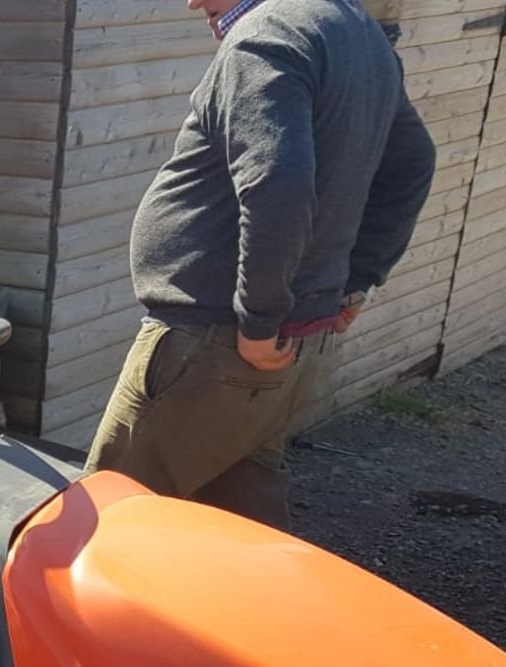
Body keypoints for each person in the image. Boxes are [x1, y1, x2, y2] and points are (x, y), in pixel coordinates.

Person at [85, 0, 436, 529]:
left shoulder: (265, 35)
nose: (193, 1)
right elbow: (413, 163)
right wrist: (354, 282)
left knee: (107, 522)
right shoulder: (355, 28)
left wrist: (259, 317)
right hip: (282, 347)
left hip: (216, 345)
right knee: (239, 526)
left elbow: (279, 184)